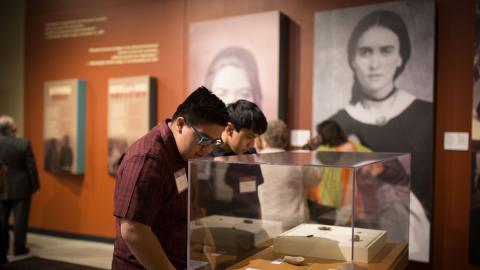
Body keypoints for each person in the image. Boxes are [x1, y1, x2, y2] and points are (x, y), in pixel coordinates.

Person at [328, 10, 433, 260]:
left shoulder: (426, 115)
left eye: (386, 50)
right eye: (365, 52)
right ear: (352, 59)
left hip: (410, 238)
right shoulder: (336, 123)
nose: (375, 64)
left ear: (400, 57)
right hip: (353, 238)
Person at [112, 86, 229, 270]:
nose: (207, 149)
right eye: (204, 139)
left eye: (214, 142)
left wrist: (207, 240)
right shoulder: (148, 159)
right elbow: (133, 231)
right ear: (181, 124)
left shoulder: (185, 153)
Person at [207, 100, 267, 219]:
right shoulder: (207, 150)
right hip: (216, 222)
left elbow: (254, 196)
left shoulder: (250, 155)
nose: (252, 144)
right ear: (229, 129)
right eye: (249, 137)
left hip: (248, 221)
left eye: (255, 138)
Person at [257, 120, 320, 230]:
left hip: (266, 218)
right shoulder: (296, 160)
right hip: (295, 220)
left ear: (264, 139)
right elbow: (315, 179)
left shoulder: (255, 160)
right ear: (286, 138)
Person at [0, 115, 40, 257]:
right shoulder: (23, 143)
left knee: (2, 219)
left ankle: (3, 248)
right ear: (12, 127)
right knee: (20, 219)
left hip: (2, 186)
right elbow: (31, 167)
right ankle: (19, 247)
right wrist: (35, 186)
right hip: (21, 187)